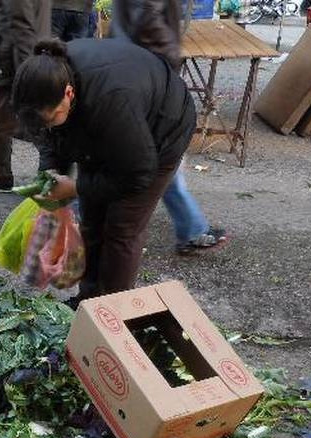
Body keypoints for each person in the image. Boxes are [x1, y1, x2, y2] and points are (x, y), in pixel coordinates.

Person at [12, 38, 195, 299]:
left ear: (68, 94)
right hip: (105, 129)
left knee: (121, 229)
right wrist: (50, 170)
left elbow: (138, 174)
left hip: (160, 133)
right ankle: (88, 300)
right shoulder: (43, 86)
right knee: (91, 219)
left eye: (51, 119)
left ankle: (113, 313)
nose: (47, 127)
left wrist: (74, 187)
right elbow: (49, 135)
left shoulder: (112, 99)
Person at [113, 0, 226, 253]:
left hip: (134, 68)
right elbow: (146, 14)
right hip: (144, 73)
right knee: (157, 156)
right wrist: (170, 55)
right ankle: (74, 215)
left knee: (155, 157)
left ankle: (192, 228)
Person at [0, 0, 51, 192]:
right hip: (33, 48)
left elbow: (19, 22)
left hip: (8, 53)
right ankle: (52, 170)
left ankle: (2, 174)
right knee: (36, 112)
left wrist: (27, 69)